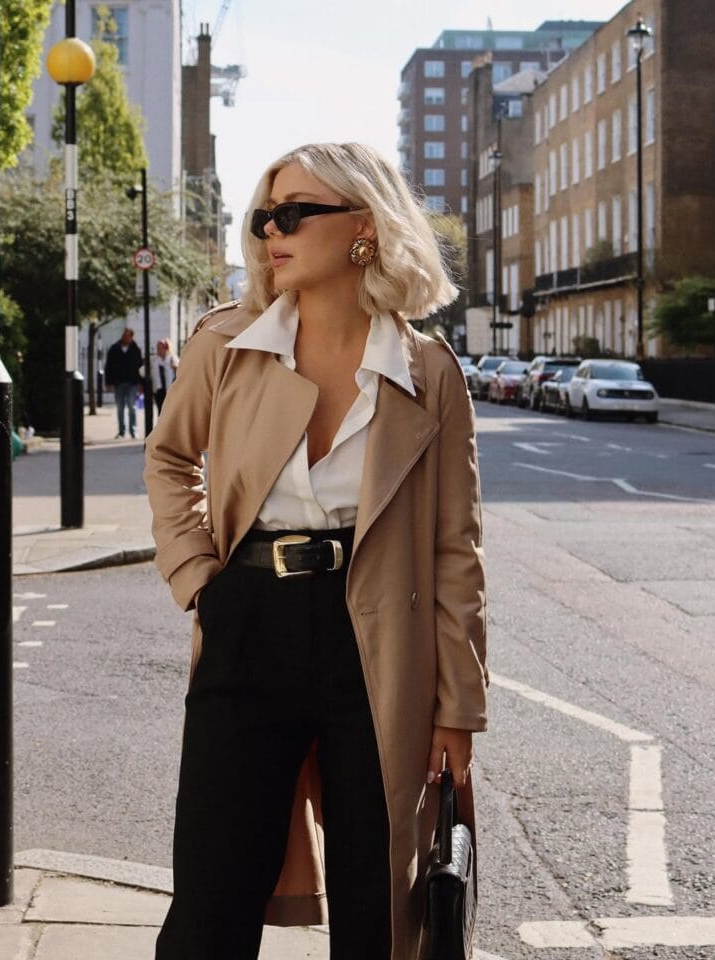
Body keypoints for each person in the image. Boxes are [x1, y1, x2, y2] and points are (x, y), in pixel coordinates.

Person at [144, 142, 488, 960]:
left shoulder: (428, 372)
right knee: (211, 894)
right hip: (247, 618)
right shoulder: (227, 344)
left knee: (379, 901)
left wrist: (458, 708)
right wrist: (200, 580)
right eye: (266, 215)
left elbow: (456, 548)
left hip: (377, 639)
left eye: (295, 213)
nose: (272, 231)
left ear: (364, 225)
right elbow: (169, 458)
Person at [105, 327, 143, 438]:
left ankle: (133, 430)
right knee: (120, 407)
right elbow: (109, 366)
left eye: (127, 335)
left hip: (132, 383)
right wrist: (108, 382)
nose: (125, 337)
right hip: (119, 382)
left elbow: (140, 367)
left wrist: (141, 383)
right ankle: (121, 431)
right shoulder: (114, 348)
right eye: (124, 335)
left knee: (132, 406)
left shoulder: (136, 349)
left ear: (131, 337)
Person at [154, 338, 178, 414]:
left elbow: (180, 372)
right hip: (159, 390)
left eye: (160, 348)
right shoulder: (154, 360)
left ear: (166, 348)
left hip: (170, 390)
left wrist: (174, 367)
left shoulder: (173, 359)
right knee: (160, 411)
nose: (158, 350)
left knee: (170, 411)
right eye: (157, 348)